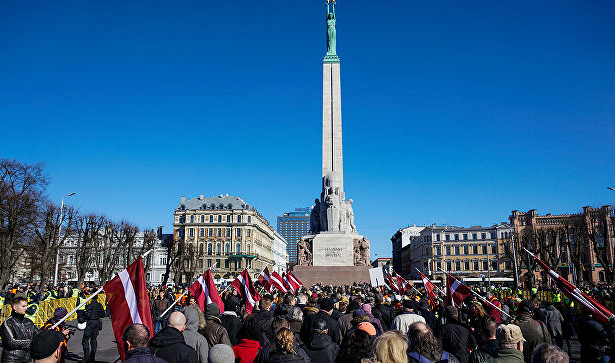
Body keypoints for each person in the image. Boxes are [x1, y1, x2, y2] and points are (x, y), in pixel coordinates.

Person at [0, 296, 41, 362]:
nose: (26, 308)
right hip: (12, 360)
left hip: (28, 359)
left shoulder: (28, 321)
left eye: (26, 306)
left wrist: (49, 331)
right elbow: (11, 342)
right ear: (15, 307)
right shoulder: (8, 323)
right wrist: (32, 343)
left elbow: (39, 334)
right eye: (23, 306)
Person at [82, 293, 105, 363]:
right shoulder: (100, 305)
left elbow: (87, 315)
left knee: (85, 339)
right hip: (97, 323)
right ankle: (92, 357)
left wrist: (84, 316)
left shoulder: (89, 306)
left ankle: (86, 356)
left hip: (90, 323)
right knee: (94, 340)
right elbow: (103, 315)